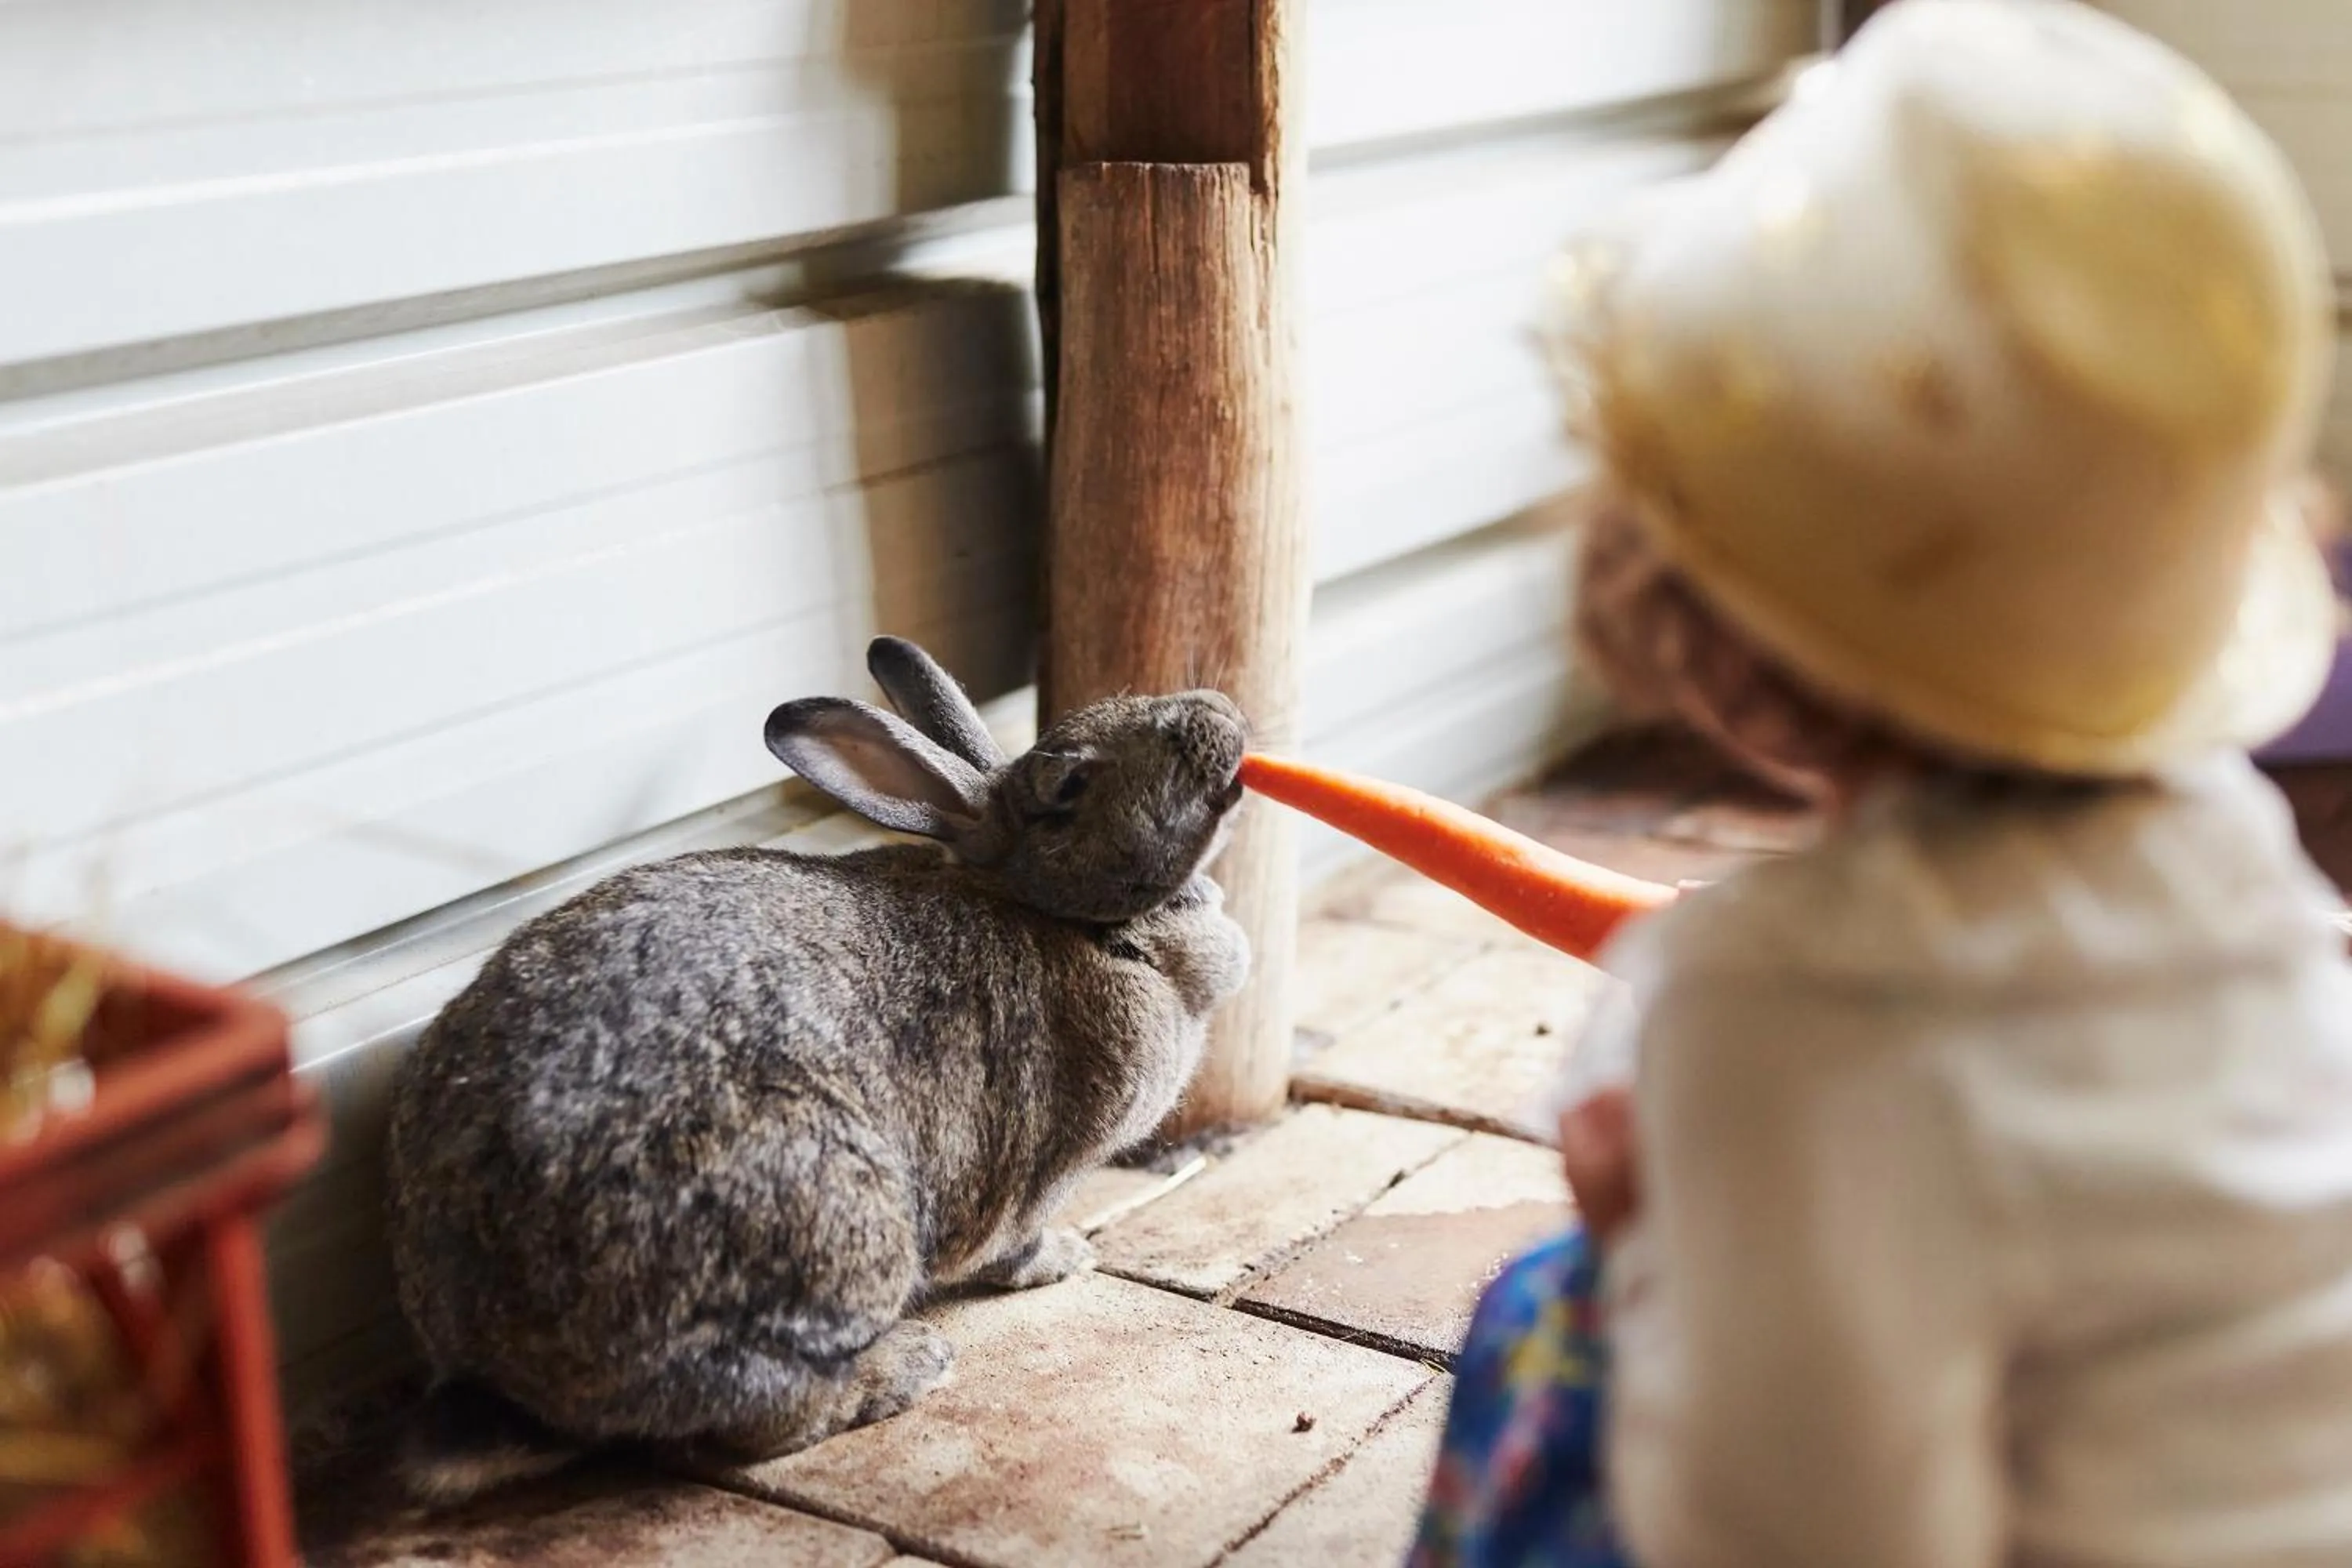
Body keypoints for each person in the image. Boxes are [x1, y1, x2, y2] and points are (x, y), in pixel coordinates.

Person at [1409, 2, 2352, 1565]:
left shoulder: (1792, 1012)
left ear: (1708, 613)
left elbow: (1792, 1535)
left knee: (1544, 1322)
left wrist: (1648, 1249)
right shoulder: (2249, 870)